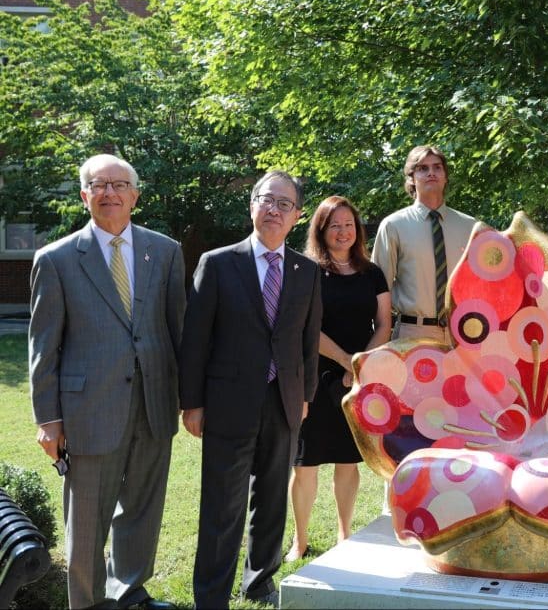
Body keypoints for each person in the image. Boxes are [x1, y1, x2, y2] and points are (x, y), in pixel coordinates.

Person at [29, 153, 185, 609]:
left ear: (135, 195)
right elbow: (43, 348)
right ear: (85, 195)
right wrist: (48, 420)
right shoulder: (56, 259)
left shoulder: (166, 251)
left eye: (119, 185)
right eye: (99, 185)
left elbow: (179, 330)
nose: (109, 193)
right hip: (88, 410)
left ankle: (129, 591)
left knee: (143, 507)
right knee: (87, 519)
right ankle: (88, 601)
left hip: (154, 402)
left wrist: (190, 399)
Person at [179, 170, 322, 607]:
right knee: (223, 503)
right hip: (228, 403)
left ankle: (259, 582)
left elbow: (308, 341)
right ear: (252, 205)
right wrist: (192, 403)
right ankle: (211, 595)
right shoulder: (218, 263)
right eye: (267, 199)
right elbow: (195, 339)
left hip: (284, 402)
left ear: (297, 216)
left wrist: (305, 396)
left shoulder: (306, 271)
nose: (274, 209)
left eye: (285, 204)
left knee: (273, 498)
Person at [285, 196, 391, 562]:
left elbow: (384, 324)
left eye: (349, 225)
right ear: (321, 230)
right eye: (335, 225)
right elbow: (306, 327)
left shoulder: (372, 273)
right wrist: (347, 361)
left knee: (348, 461)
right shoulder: (307, 271)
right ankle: (299, 540)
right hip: (313, 379)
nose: (343, 232)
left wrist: (359, 366)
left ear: (357, 230)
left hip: (356, 380)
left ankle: (345, 534)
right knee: (305, 464)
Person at [371, 145, 477, 344]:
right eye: (422, 168)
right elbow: (378, 289)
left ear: (445, 177)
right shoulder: (393, 226)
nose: (431, 173)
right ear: (411, 178)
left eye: (437, 167)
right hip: (411, 334)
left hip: (464, 333)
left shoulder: (470, 227)